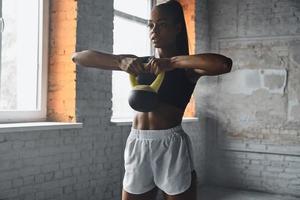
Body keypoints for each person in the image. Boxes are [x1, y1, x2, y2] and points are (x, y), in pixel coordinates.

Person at [72, 1, 232, 199]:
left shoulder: (187, 68)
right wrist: (120, 61)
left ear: (178, 28)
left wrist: (172, 62)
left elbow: (223, 64)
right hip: (137, 143)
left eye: (162, 24)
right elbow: (78, 57)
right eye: (151, 25)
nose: (154, 31)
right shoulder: (142, 63)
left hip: (170, 145)